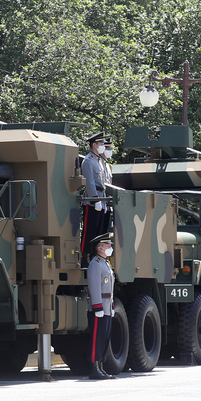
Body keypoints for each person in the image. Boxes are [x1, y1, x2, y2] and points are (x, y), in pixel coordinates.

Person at [87, 232, 117, 380]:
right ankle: (94, 368)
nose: (110, 247)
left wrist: (110, 306)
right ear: (100, 248)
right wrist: (97, 307)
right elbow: (94, 287)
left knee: (104, 339)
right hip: (98, 308)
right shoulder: (95, 264)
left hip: (106, 307)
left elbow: (109, 289)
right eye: (108, 245)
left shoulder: (105, 264)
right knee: (96, 339)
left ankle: (101, 367)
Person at [80, 133, 114, 257]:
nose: (103, 147)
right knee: (90, 231)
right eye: (101, 144)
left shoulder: (99, 161)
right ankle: (85, 256)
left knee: (100, 232)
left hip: (102, 199)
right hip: (93, 200)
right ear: (94, 145)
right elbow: (89, 182)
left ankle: (95, 255)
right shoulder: (88, 160)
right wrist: (94, 198)